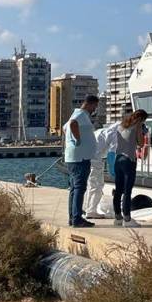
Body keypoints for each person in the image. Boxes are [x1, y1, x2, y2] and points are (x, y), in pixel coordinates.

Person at [63, 94, 99, 228]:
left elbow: (64, 128)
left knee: (74, 188)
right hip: (80, 158)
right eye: (94, 106)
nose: (94, 109)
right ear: (90, 104)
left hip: (74, 157)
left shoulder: (76, 114)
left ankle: (73, 218)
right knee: (79, 187)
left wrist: (71, 141)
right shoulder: (81, 115)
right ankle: (77, 219)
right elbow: (72, 124)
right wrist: (77, 140)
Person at [113, 109, 148, 228]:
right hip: (129, 160)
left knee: (118, 190)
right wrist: (141, 131)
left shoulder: (120, 126)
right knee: (127, 191)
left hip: (118, 160)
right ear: (141, 119)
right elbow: (141, 143)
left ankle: (118, 217)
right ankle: (127, 219)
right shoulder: (137, 127)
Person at [83, 124, 118, 219]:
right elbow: (111, 154)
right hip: (95, 159)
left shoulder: (102, 131)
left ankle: (87, 208)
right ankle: (91, 210)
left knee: (90, 185)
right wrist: (112, 171)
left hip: (85, 157)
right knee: (97, 185)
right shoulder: (115, 134)